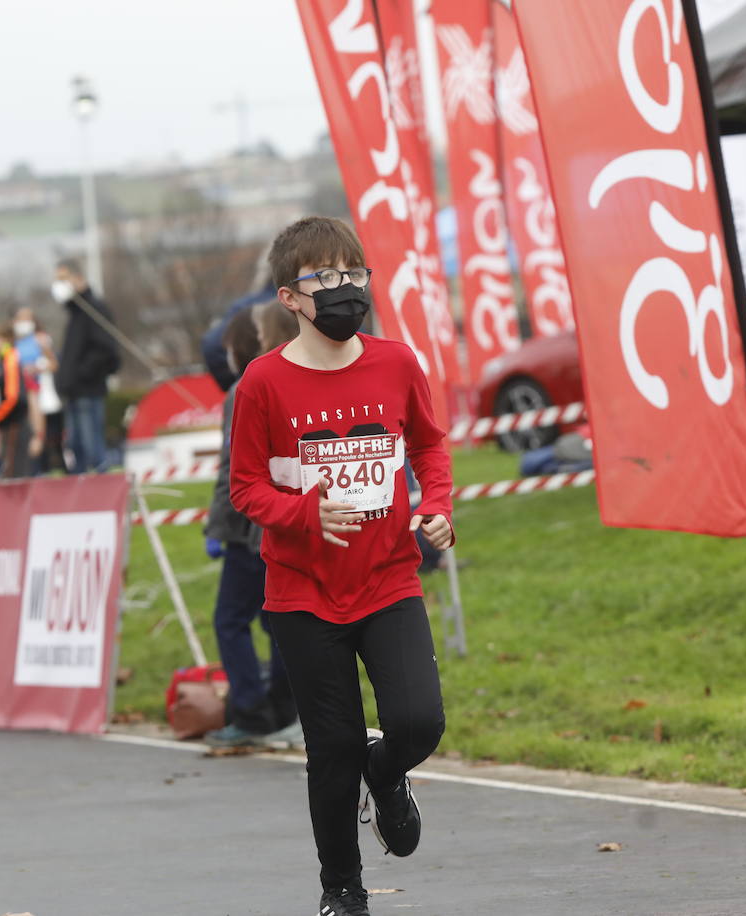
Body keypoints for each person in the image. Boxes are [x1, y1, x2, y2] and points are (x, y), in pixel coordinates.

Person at [228, 217, 454, 916]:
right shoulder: (262, 383)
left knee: (419, 722)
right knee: (331, 750)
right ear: (290, 298)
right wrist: (305, 514)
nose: (344, 287)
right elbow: (246, 488)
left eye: (354, 273)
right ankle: (344, 890)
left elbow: (429, 446)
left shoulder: (397, 363)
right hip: (303, 593)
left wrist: (437, 506)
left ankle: (385, 773)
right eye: (325, 276)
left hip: (388, 579)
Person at [203, 305, 300, 748]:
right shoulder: (297, 379)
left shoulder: (245, 388)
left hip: (251, 530)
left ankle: (251, 710)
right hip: (289, 520)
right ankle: (284, 706)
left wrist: (217, 529)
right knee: (277, 620)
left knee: (230, 620)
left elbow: (233, 469)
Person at [52, 258, 120, 473]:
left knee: (92, 447)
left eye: (63, 279)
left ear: (78, 278)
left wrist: (81, 374)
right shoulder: (75, 313)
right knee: (76, 447)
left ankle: (102, 483)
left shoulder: (93, 309)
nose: (59, 285)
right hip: (75, 391)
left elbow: (105, 350)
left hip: (88, 389)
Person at [0, 322, 42, 479]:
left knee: (15, 475)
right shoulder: (3, 361)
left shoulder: (11, 359)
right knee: (11, 473)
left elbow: (14, 398)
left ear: (5, 339)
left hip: (15, 425)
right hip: (9, 425)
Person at [13, 309, 67, 474]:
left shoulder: (40, 339)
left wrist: (37, 368)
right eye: (20, 318)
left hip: (43, 396)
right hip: (23, 397)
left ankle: (58, 467)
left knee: (51, 437)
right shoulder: (13, 344)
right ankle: (37, 470)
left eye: (27, 318)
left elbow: (54, 364)